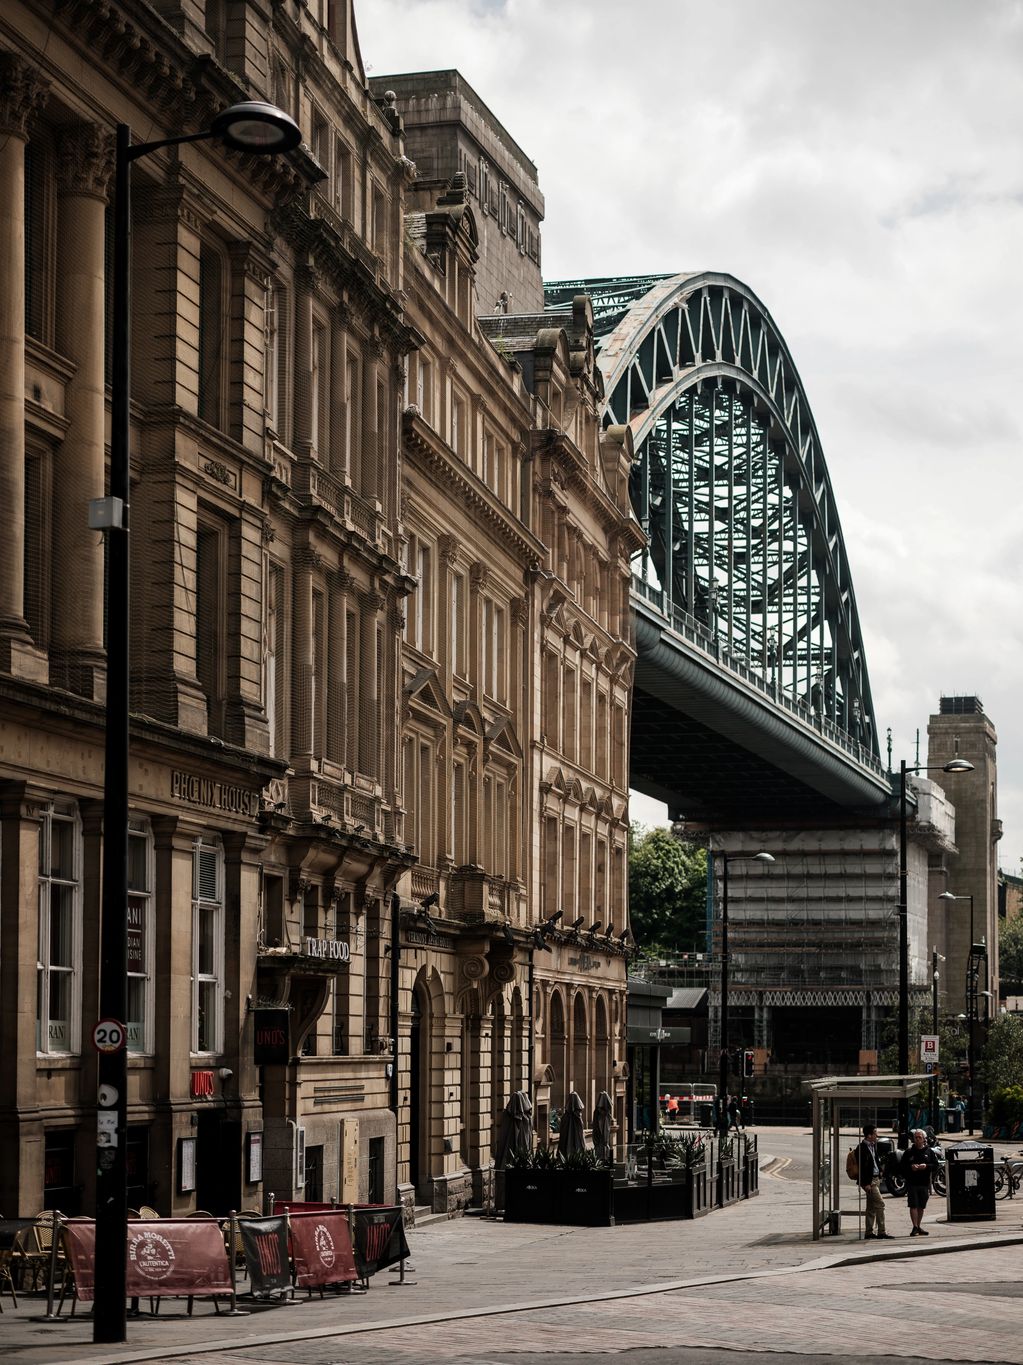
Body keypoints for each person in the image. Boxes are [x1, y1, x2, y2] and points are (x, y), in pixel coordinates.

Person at [858, 1122, 894, 1240]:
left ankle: (869, 1232)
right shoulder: (861, 1148)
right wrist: (865, 1183)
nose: (876, 1135)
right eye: (875, 1133)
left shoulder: (873, 1146)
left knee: (871, 1207)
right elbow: (861, 1168)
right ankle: (881, 1231)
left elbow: (875, 1161)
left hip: (876, 1179)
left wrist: (880, 1171)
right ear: (868, 1135)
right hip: (870, 1182)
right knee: (880, 1204)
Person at [900, 1128, 939, 1236]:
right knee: (913, 1205)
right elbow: (902, 1167)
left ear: (924, 1139)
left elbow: (935, 1166)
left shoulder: (929, 1152)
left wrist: (926, 1166)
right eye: (915, 1137)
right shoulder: (908, 1152)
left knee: (921, 1206)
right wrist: (911, 1167)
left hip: (924, 1183)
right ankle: (915, 1226)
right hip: (912, 1183)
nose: (917, 1139)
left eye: (919, 1137)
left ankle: (918, 1225)